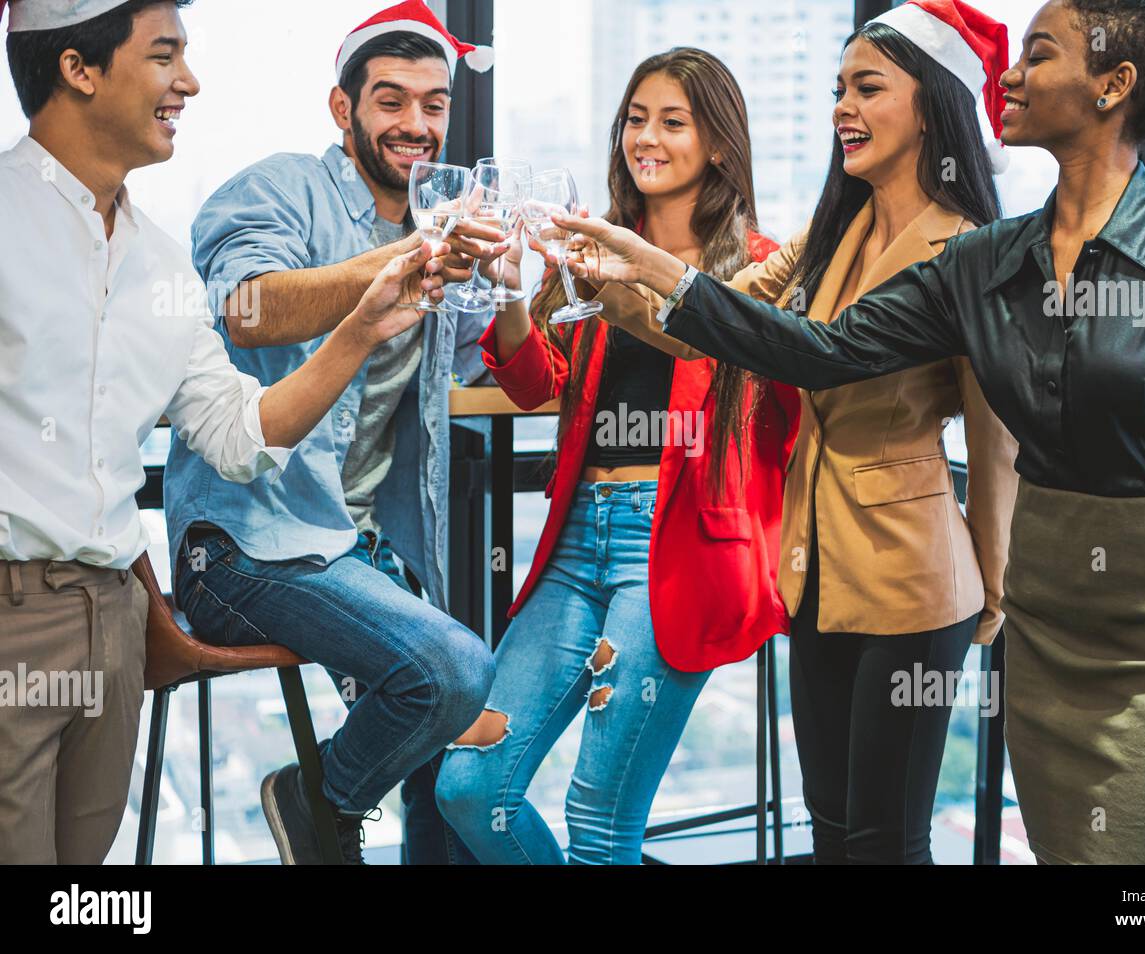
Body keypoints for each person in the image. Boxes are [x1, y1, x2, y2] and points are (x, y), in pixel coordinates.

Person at [550, 0, 1145, 866]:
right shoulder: (982, 260)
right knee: (894, 839)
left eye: (1038, 55)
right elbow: (815, 349)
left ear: (1112, 86)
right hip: (1027, 619)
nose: (1007, 75)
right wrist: (629, 271)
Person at [0, 0, 450, 864]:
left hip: (117, 612)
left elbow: (240, 434)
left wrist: (359, 327)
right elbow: (253, 312)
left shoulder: (158, 262)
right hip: (14, 607)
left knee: (82, 875)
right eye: (165, 55)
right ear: (78, 68)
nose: (190, 81)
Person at [598, 0, 1019, 864]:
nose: (841, 108)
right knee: (830, 832)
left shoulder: (967, 251)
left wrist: (995, 584)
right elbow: (716, 327)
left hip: (916, 578)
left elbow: (989, 435)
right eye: (837, 89)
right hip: (816, 568)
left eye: (867, 87)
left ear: (933, 105)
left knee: (885, 841)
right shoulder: (835, 230)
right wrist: (610, 283)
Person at [434, 48, 800, 865]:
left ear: (718, 142)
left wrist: (631, 292)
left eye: (674, 122)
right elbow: (534, 387)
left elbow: (787, 394)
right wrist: (510, 286)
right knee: (468, 785)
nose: (647, 137)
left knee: (600, 825)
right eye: (636, 119)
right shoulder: (592, 252)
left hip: (670, 548)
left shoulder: (761, 264)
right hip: (574, 545)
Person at [164, 0, 502, 864]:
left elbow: (483, 360)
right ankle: (319, 799)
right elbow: (247, 308)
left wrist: (516, 279)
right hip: (244, 548)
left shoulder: (440, 221)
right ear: (343, 109)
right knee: (455, 674)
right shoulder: (278, 188)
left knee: (459, 757)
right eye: (391, 101)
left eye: (433, 104)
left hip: (363, 546)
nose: (416, 124)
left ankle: (335, 818)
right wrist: (395, 267)